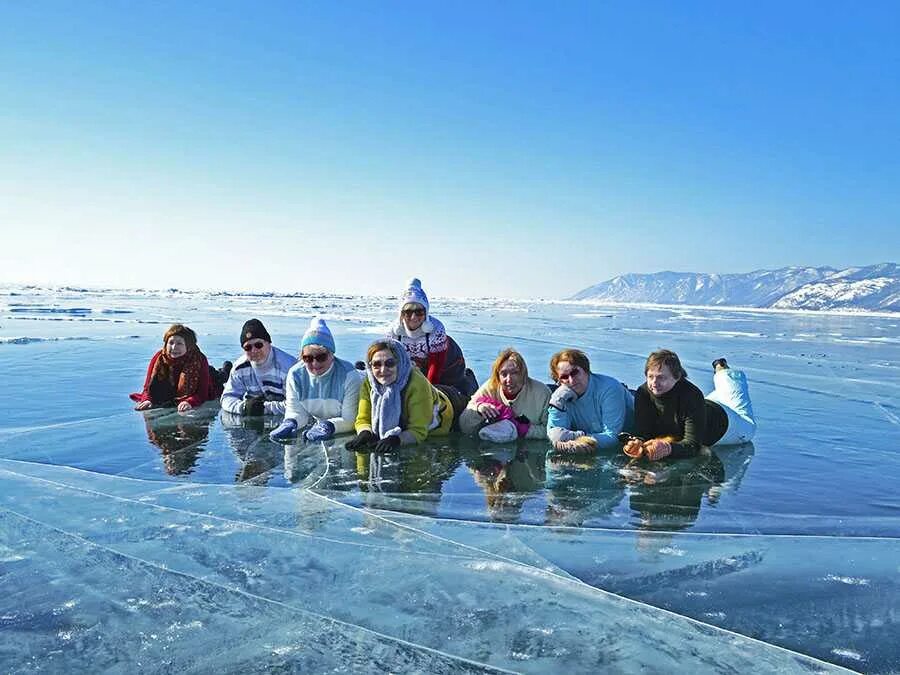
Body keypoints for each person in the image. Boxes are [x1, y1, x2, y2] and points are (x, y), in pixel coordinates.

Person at [623, 351, 757, 461]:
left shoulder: (691, 395)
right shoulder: (644, 392)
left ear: (677, 377)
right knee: (719, 394)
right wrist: (637, 443)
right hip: (703, 407)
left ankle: (722, 369)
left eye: (661, 377)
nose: (654, 383)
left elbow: (693, 446)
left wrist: (668, 449)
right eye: (650, 376)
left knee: (731, 391)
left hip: (732, 425)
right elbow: (643, 430)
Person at [346, 339, 453, 452]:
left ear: (401, 363)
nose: (383, 370)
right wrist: (364, 432)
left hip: (446, 407)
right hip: (430, 394)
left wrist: (397, 440)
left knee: (462, 395)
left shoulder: (417, 384)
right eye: (377, 364)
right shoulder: (369, 383)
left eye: (390, 363)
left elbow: (419, 431)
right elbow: (363, 419)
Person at [268, 318, 364, 442]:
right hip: (320, 424)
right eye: (307, 358)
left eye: (321, 357)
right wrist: (291, 422)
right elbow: (297, 411)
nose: (315, 363)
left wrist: (328, 426)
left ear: (332, 354)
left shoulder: (349, 375)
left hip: (340, 426)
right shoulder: (295, 374)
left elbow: (350, 419)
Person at [386, 277, 477, 397]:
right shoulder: (392, 334)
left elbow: (435, 365)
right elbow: (393, 364)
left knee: (447, 391)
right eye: (408, 312)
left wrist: (427, 393)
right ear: (401, 314)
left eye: (419, 311)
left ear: (426, 312)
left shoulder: (436, 329)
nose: (413, 317)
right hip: (417, 365)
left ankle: (468, 381)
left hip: (448, 365)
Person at [546, 348, 635, 452]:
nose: (571, 380)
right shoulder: (560, 398)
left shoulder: (610, 388)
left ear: (586, 370)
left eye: (575, 372)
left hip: (630, 440)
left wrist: (578, 437)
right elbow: (556, 435)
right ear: (559, 381)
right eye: (564, 377)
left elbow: (613, 438)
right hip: (593, 441)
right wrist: (557, 402)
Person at [459, 348, 551, 443]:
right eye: (503, 374)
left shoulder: (542, 393)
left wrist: (524, 430)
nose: (509, 380)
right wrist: (478, 410)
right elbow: (464, 426)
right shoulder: (490, 388)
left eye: (515, 373)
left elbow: (550, 431)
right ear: (497, 376)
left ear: (524, 374)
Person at [130, 323, 223, 412]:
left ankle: (225, 371)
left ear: (188, 346)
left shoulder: (199, 359)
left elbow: (202, 391)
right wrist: (147, 399)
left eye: (179, 343)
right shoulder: (159, 358)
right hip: (172, 388)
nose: (174, 347)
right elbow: (148, 386)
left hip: (210, 378)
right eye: (171, 342)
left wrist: (190, 401)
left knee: (218, 376)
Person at [221, 318, 296, 417]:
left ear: (268, 343)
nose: (254, 350)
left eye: (258, 345)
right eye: (248, 347)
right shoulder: (240, 368)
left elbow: (297, 405)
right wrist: (244, 407)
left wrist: (263, 408)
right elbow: (227, 398)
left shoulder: (289, 367)